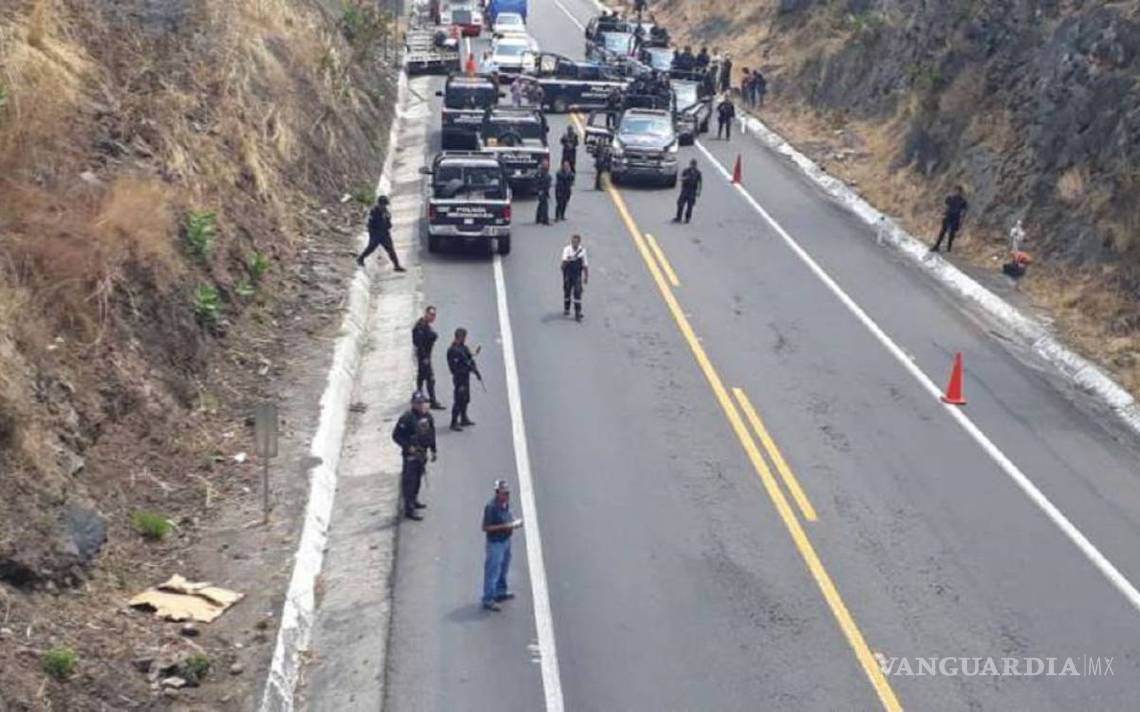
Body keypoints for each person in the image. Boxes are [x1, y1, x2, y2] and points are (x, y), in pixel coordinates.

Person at [391, 392, 437, 521]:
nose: (422, 405)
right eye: (419, 403)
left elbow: (431, 434)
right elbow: (396, 436)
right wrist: (408, 447)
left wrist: (434, 450)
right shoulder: (407, 418)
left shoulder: (428, 417)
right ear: (413, 404)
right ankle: (409, 509)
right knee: (409, 482)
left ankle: (414, 500)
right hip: (411, 456)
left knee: (417, 479)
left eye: (423, 403)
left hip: (422, 454)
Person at [482, 479, 523, 611]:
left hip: (506, 540)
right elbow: (486, 527)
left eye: (507, 493)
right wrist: (505, 526)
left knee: (504, 568)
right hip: (495, 543)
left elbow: (508, 515)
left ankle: (500, 591)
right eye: (503, 493)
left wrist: (513, 523)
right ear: (497, 493)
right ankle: (488, 598)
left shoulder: (505, 504)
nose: (506, 495)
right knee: (492, 570)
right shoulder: (491, 507)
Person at [357, 195, 405, 271]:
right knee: (371, 247)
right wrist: (373, 234)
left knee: (391, 249)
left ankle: (396, 265)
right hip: (376, 233)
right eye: (383, 205)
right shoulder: (373, 212)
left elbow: (388, 222)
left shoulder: (386, 212)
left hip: (384, 233)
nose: (384, 206)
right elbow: (370, 224)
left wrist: (388, 225)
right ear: (379, 204)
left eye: (385, 205)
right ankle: (360, 258)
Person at [447, 328, 480, 431]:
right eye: (463, 337)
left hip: (465, 378)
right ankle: (453, 422)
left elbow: (469, 358)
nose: (465, 339)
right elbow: (454, 368)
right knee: (458, 400)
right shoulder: (453, 351)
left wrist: (475, 370)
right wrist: (467, 368)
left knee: (466, 399)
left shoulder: (463, 348)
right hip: (459, 378)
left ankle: (464, 418)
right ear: (459, 337)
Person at [412, 306, 445, 410]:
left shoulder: (426, 326)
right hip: (424, 357)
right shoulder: (420, 327)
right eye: (431, 314)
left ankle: (419, 395)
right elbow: (419, 344)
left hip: (426, 355)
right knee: (430, 379)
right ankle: (433, 400)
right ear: (426, 313)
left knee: (421, 376)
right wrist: (425, 357)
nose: (432, 317)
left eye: (434, 315)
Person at [931, 185, 969, 253]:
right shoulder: (950, 198)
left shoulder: (963, 201)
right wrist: (942, 214)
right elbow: (945, 206)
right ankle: (937, 246)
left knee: (952, 233)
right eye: (956, 191)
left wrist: (961, 221)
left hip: (956, 218)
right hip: (948, 216)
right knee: (942, 231)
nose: (957, 192)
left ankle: (948, 248)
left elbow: (963, 212)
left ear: (961, 192)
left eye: (958, 191)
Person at [561, 234, 589, 321]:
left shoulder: (582, 251)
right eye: (573, 242)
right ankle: (566, 308)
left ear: (579, 242)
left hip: (577, 274)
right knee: (567, 291)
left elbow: (585, 265)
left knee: (577, 293)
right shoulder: (567, 249)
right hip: (568, 274)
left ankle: (578, 312)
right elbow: (564, 262)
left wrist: (586, 276)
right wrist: (569, 260)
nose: (574, 243)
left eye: (576, 242)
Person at [673, 159, 702, 224]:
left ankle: (687, 218)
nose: (693, 166)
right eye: (692, 164)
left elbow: (700, 183)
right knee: (680, 204)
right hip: (685, 190)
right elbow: (680, 178)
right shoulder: (686, 171)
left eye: (694, 165)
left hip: (692, 191)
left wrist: (699, 191)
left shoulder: (698, 173)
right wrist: (685, 178)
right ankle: (678, 217)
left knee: (690, 206)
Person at [535, 160, 552, 225]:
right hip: (542, 191)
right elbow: (538, 182)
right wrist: (539, 190)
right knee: (545, 206)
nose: (547, 165)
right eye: (545, 164)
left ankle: (538, 219)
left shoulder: (544, 171)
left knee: (541, 205)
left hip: (545, 191)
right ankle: (545, 220)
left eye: (547, 164)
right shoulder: (540, 172)